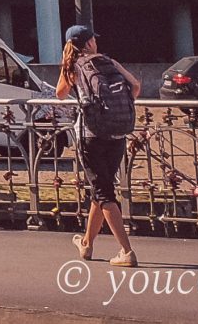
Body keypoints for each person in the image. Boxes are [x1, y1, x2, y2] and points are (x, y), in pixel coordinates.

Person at [55, 23, 139, 269]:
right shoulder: (109, 62)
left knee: (103, 192)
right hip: (117, 133)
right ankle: (87, 244)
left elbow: (60, 94)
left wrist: (66, 65)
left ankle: (127, 251)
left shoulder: (73, 67)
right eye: (93, 39)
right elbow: (135, 86)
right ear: (90, 42)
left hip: (90, 135)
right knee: (100, 189)